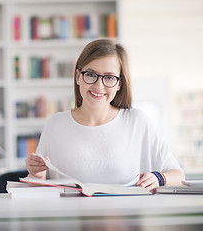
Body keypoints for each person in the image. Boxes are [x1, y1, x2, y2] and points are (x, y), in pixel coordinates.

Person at [25, 39, 184, 192]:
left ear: (119, 84)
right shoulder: (55, 125)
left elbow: (178, 175)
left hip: (126, 219)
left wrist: (159, 178)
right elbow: (38, 188)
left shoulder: (137, 121)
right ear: (78, 76)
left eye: (109, 77)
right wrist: (36, 175)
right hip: (70, 219)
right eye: (91, 74)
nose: (98, 86)